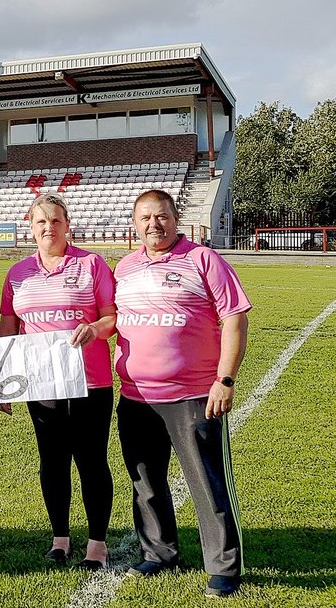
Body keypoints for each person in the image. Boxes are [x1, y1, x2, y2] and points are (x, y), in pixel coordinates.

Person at [115, 189, 250, 599]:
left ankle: (223, 567)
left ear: (176, 219)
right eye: (145, 218)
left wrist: (224, 380)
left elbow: (235, 320)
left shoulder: (204, 260)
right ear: (134, 224)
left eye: (161, 217)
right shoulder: (124, 267)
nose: (153, 225)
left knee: (207, 483)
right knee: (146, 481)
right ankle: (159, 552)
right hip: (136, 395)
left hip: (194, 394)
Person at [0, 194, 117, 570]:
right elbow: (8, 333)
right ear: (30, 228)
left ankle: (97, 544)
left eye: (55, 221)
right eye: (41, 222)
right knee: (52, 461)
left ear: (67, 225)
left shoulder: (91, 264)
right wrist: (3, 381)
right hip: (40, 384)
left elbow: (112, 318)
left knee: (91, 461)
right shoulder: (18, 273)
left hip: (90, 382)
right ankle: (60, 539)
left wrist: (94, 329)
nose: (48, 228)